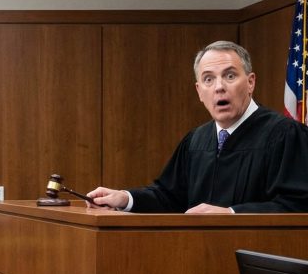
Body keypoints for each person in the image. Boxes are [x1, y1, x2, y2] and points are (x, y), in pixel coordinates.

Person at [87, 41, 308, 214]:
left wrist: (232, 214)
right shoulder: (196, 140)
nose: (219, 87)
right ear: (199, 91)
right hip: (198, 253)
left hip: (256, 255)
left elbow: (299, 204)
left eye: (230, 76)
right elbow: (169, 197)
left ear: (250, 82)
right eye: (208, 79)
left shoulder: (285, 134)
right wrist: (125, 198)